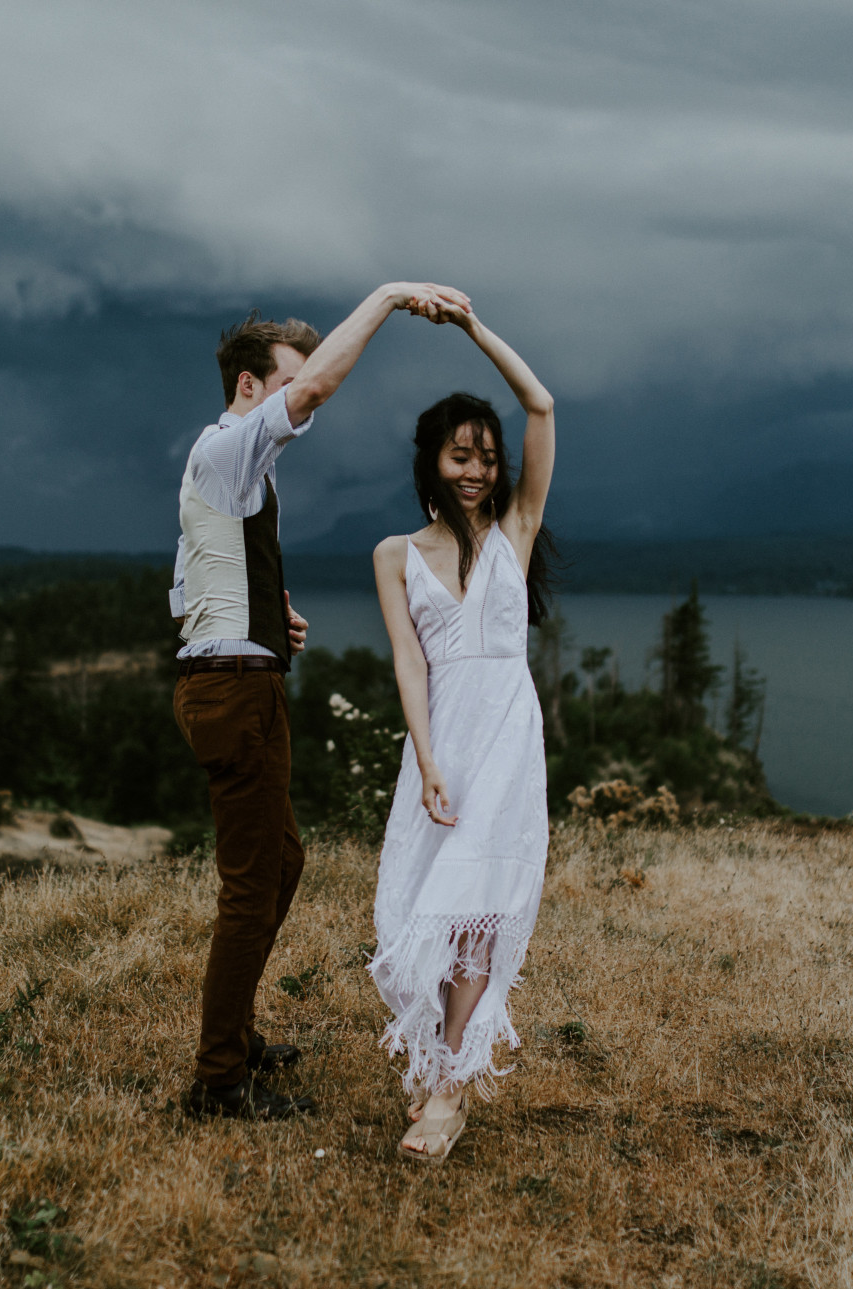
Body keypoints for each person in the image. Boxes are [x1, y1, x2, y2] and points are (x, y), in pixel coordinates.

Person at [171, 282, 471, 1120]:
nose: (305, 405)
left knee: (283, 865)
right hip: (234, 694)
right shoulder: (228, 446)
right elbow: (317, 388)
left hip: (241, 677)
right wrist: (386, 298)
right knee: (250, 885)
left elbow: (188, 585)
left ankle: (235, 1036)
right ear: (248, 386)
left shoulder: (234, 472)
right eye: (289, 383)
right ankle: (218, 1079)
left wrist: (270, 618)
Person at [368, 302, 556, 1161]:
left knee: (475, 915)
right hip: (441, 747)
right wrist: (427, 757)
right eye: (460, 454)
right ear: (431, 462)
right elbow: (410, 663)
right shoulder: (394, 555)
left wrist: (474, 327)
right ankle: (444, 1060)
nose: (477, 469)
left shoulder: (516, 532)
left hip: (508, 743)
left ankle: (448, 1091)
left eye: (486, 455)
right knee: (426, 915)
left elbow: (543, 405)